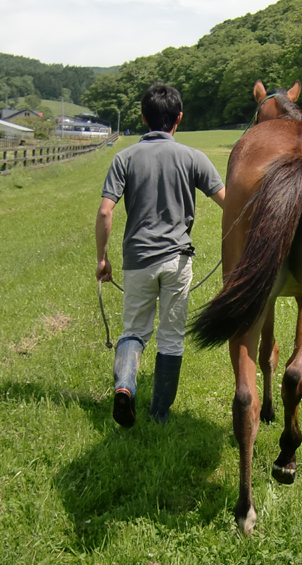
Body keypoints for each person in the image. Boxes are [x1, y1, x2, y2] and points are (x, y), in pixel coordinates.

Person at [95, 83, 225, 426]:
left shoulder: (123, 158)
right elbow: (231, 204)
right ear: (178, 119)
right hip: (177, 261)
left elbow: (106, 212)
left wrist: (102, 259)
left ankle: (125, 386)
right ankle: (159, 414)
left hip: (138, 260)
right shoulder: (193, 157)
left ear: (143, 117)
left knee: (134, 331)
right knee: (171, 337)